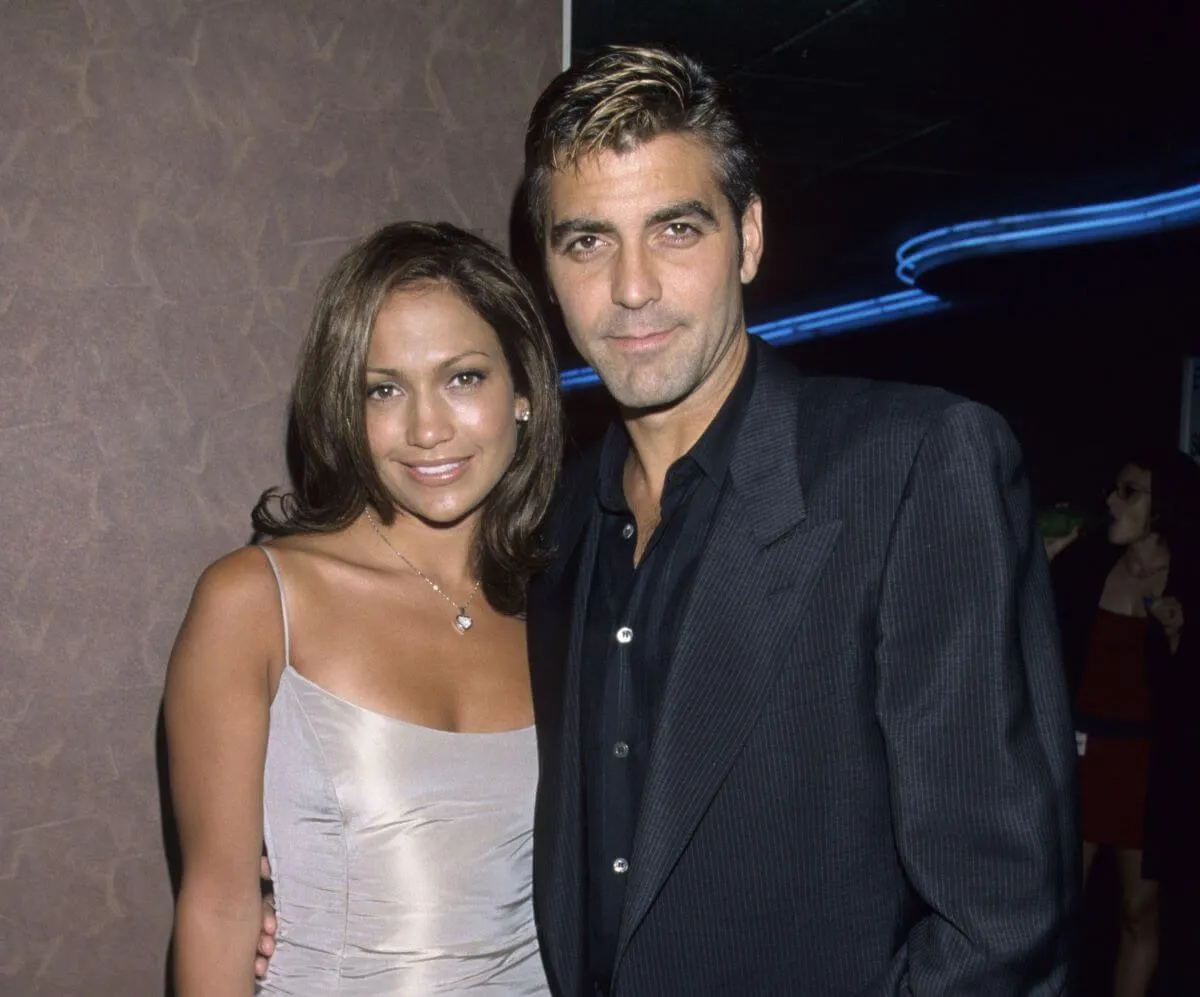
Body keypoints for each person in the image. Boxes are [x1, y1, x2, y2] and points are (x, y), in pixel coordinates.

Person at [519, 46, 1079, 995]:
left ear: (748, 237)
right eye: (588, 241)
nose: (632, 286)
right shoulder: (555, 526)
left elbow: (1000, 916)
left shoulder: (911, 466)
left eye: (676, 229)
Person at [165, 221, 562, 994]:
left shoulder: (567, 606)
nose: (426, 428)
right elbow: (216, 911)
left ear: (523, 393)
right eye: (384, 388)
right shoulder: (254, 602)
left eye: (464, 377)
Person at [1050, 450, 1200, 997]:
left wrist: (1182, 638)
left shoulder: (1191, 574)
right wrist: (1041, 565)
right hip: (1082, 759)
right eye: (1115, 489)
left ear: (1164, 509)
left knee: (1140, 912)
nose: (1111, 501)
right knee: (1056, 911)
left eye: (1129, 492)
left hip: (1153, 771)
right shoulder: (1084, 563)